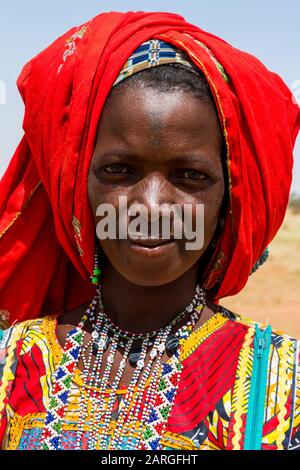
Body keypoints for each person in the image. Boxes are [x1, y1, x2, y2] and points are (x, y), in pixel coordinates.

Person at [0, 11, 299, 451]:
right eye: (120, 171)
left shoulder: (281, 385)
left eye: (190, 176)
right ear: (77, 187)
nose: (152, 206)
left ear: (228, 203)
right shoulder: (12, 365)